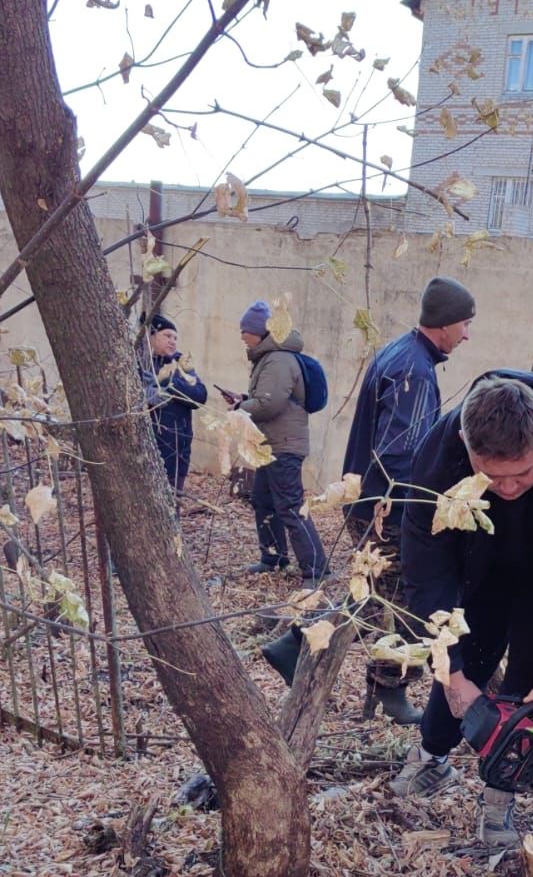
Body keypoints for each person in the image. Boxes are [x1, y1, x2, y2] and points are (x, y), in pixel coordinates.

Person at [391, 371, 533, 850]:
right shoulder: (438, 455)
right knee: (461, 659)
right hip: (478, 566)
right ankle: (433, 756)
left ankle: (500, 794)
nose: (509, 487)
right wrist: (452, 675)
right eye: (492, 476)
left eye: (523, 473)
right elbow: (425, 566)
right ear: (464, 445)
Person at [263, 276, 476, 718]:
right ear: (445, 324)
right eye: (465, 324)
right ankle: (390, 689)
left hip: (372, 502)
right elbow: (401, 453)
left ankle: (296, 644)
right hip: (390, 506)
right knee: (403, 600)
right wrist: (410, 513)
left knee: (372, 593)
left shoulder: (401, 353)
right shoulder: (413, 372)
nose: (467, 334)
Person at [225, 300, 327, 578]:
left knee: (290, 507)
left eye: (245, 330)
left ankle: (317, 569)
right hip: (270, 446)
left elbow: (270, 405)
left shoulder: (278, 359)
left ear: (260, 332)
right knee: (263, 501)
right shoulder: (270, 358)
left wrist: (239, 408)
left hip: (283, 446)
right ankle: (273, 559)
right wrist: (245, 401)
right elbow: (267, 399)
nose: (242, 335)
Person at [143, 313, 207, 495]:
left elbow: (199, 396)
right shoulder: (137, 364)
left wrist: (169, 382)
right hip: (144, 450)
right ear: (152, 337)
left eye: (175, 338)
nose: (173, 341)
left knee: (172, 504)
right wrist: (144, 394)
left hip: (177, 451)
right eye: (167, 336)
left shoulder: (181, 364)